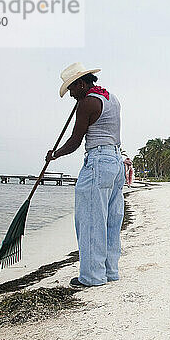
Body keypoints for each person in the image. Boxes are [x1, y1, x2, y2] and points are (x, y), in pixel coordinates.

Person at [46, 62, 125, 288]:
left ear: (81, 84)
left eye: (71, 89)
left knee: (90, 220)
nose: (71, 95)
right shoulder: (111, 98)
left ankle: (92, 277)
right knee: (111, 219)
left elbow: (75, 141)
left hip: (98, 161)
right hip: (115, 161)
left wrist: (55, 155)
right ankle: (109, 272)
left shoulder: (87, 102)